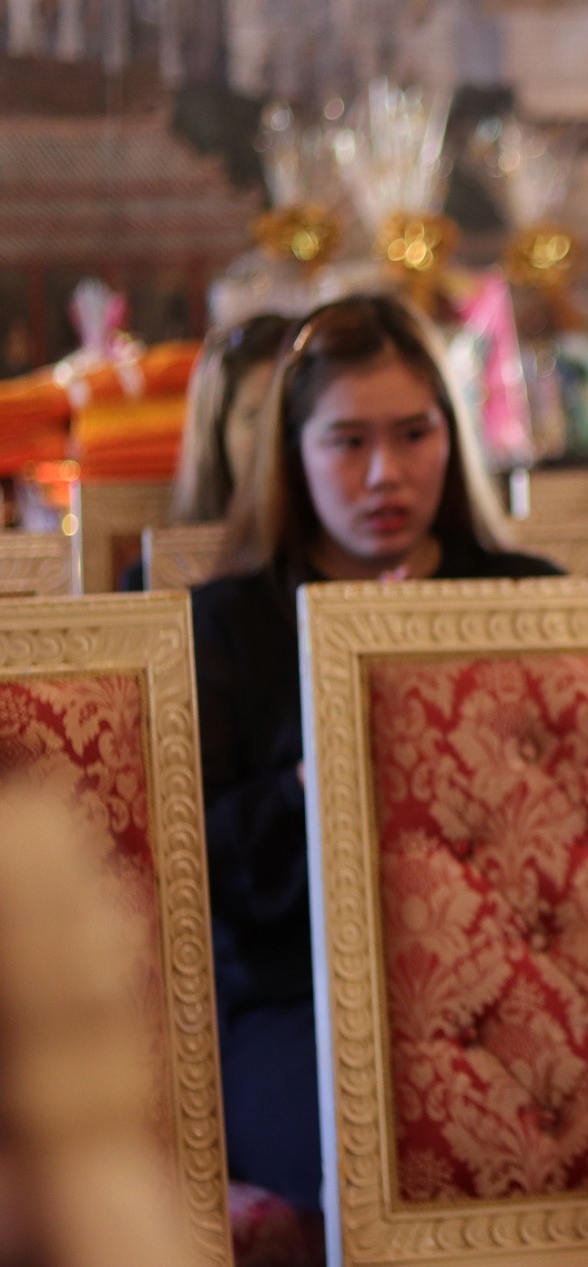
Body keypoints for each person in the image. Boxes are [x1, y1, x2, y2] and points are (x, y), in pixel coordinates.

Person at [193, 295, 560, 1215]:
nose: (385, 472)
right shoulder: (229, 624)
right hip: (298, 1001)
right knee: (380, 1143)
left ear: (453, 436)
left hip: (523, 981)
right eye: (347, 441)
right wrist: (317, 778)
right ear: (293, 453)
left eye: (414, 434)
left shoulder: (528, 596)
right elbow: (187, 861)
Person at [117, 313, 294, 590]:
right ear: (217, 433)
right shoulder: (156, 582)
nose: (279, 436)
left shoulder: (355, 564)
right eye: (258, 418)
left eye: (294, 414)